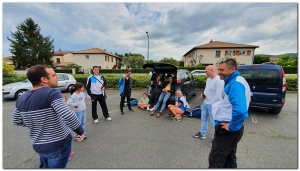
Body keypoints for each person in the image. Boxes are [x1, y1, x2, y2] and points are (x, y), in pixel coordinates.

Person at [12, 65, 85, 168]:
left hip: (39, 145)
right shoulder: (52, 93)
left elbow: (17, 120)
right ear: (44, 79)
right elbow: (68, 115)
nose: (57, 77)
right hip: (58, 144)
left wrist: (37, 122)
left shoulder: (22, 98)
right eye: (54, 75)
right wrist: (80, 131)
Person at [208, 58, 251, 168]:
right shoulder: (233, 81)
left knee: (215, 162)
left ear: (232, 69)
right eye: (218, 69)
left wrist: (232, 127)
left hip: (227, 131)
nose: (219, 72)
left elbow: (241, 111)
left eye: (222, 69)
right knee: (229, 160)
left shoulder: (235, 84)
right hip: (228, 130)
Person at [192, 65, 224, 147]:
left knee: (214, 122)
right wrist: (204, 95)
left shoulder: (218, 80)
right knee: (203, 118)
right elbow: (207, 90)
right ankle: (202, 133)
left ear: (212, 70)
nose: (205, 73)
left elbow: (218, 95)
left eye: (206, 71)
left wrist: (212, 103)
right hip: (205, 103)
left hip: (213, 104)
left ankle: (215, 139)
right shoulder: (208, 80)